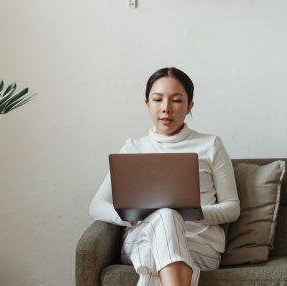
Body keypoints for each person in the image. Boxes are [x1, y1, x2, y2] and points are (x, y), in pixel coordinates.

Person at [89, 67, 240, 286]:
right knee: (165, 216)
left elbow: (232, 207)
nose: (166, 108)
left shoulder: (211, 145)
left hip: (198, 243)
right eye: (157, 100)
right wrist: (133, 216)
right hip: (143, 239)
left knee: (168, 217)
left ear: (190, 106)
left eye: (176, 100)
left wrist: (188, 213)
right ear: (147, 104)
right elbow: (96, 206)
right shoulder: (132, 148)